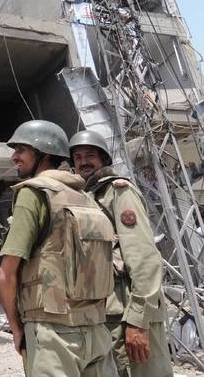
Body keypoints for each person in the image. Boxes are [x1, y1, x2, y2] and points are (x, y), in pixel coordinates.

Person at [0, 120, 118, 377]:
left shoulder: (34, 193)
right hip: (96, 330)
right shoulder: (85, 197)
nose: (14, 157)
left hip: (53, 334)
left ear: (44, 153)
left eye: (21, 149)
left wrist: (16, 329)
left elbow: (7, 273)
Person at [70, 130, 173, 377]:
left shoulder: (119, 192)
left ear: (104, 159)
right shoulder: (90, 196)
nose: (83, 161)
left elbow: (144, 258)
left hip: (131, 312)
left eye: (90, 155)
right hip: (111, 315)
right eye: (78, 157)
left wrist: (138, 319)